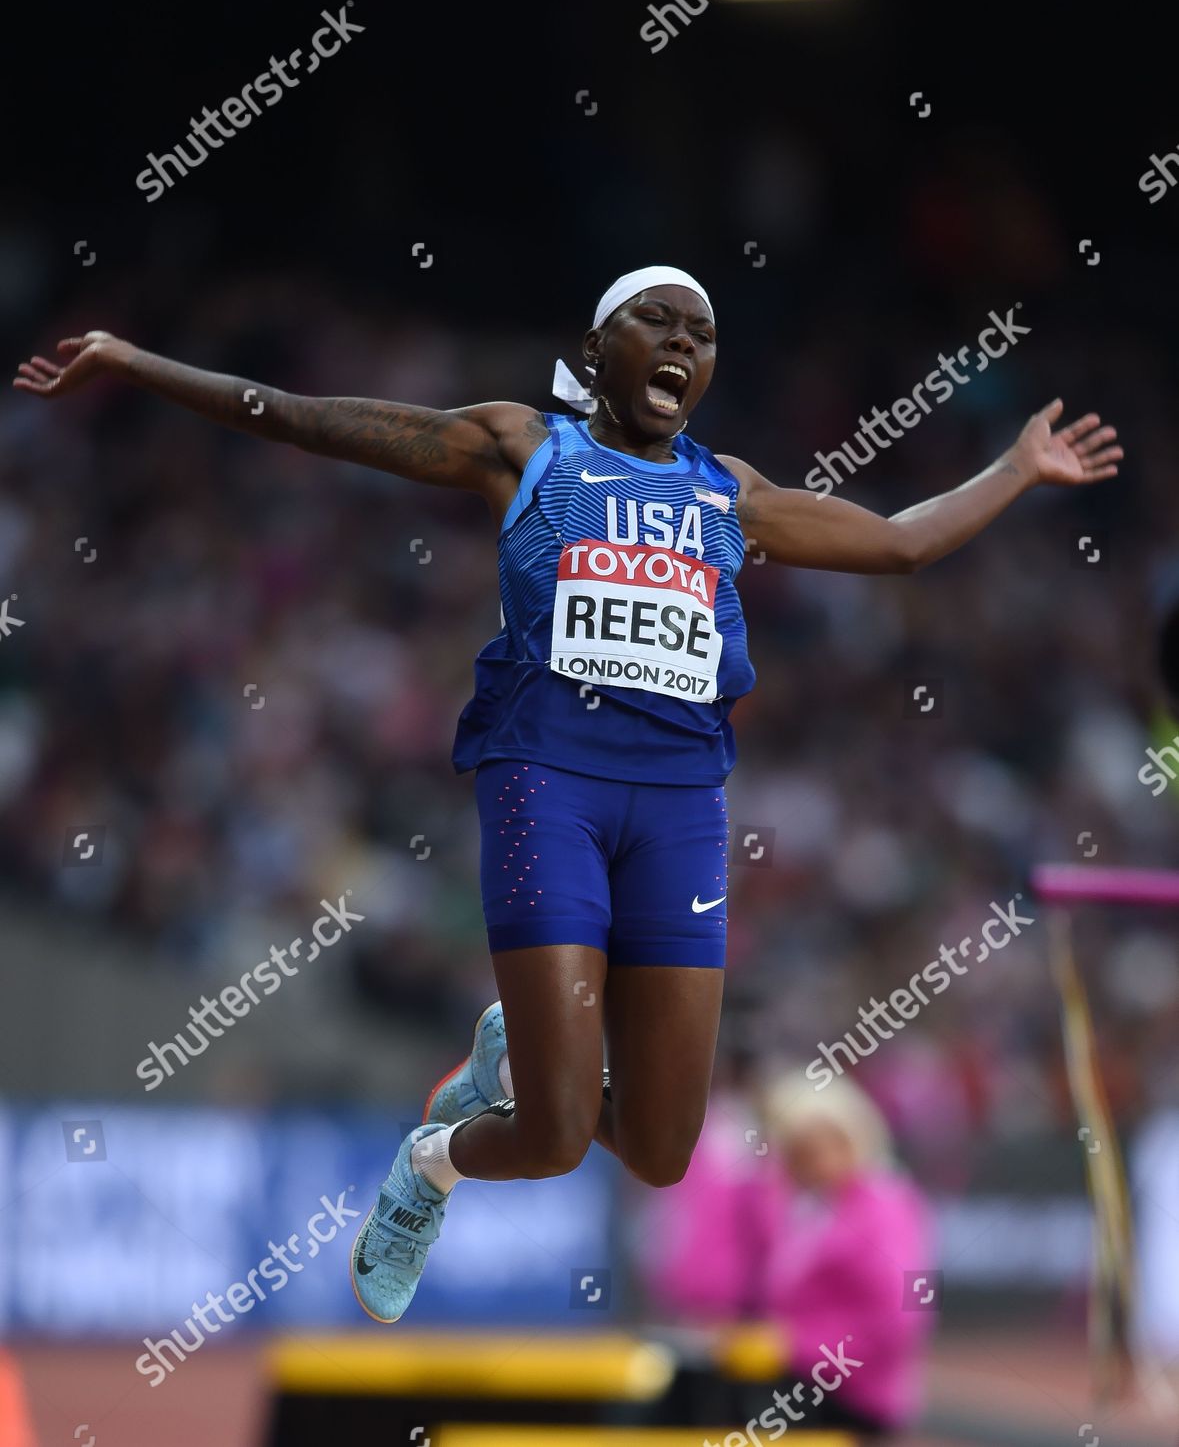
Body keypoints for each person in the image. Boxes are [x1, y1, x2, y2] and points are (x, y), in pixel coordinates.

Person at [13, 265, 1123, 1324]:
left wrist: (1020, 467)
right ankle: (431, 1165)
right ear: (599, 350)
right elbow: (303, 415)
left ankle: (502, 1056)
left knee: (659, 1148)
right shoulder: (524, 446)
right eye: (659, 320)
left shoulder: (728, 492)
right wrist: (136, 361)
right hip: (549, 784)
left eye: (703, 333)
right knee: (546, 1135)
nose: (684, 344)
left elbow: (896, 546)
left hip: (684, 807)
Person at [641, 1070, 935, 1438]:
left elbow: (895, 1323)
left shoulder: (881, 1208)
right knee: (681, 1391)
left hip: (851, 1394)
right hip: (800, 1377)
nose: (799, 1163)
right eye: (792, 1151)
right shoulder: (797, 1207)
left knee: (711, 1407)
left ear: (850, 1138)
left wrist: (792, 1343)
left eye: (812, 1148)